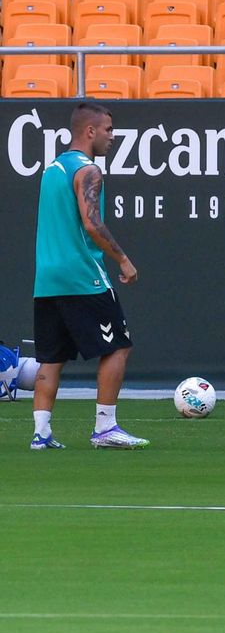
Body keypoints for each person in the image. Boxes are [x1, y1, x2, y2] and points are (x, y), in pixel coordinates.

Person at [29, 102, 147, 449]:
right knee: (119, 347)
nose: (113, 137)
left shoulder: (52, 169)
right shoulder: (89, 170)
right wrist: (123, 260)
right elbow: (92, 223)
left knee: (51, 358)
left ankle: (41, 433)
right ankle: (105, 428)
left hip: (46, 279)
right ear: (90, 131)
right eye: (109, 130)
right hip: (81, 274)